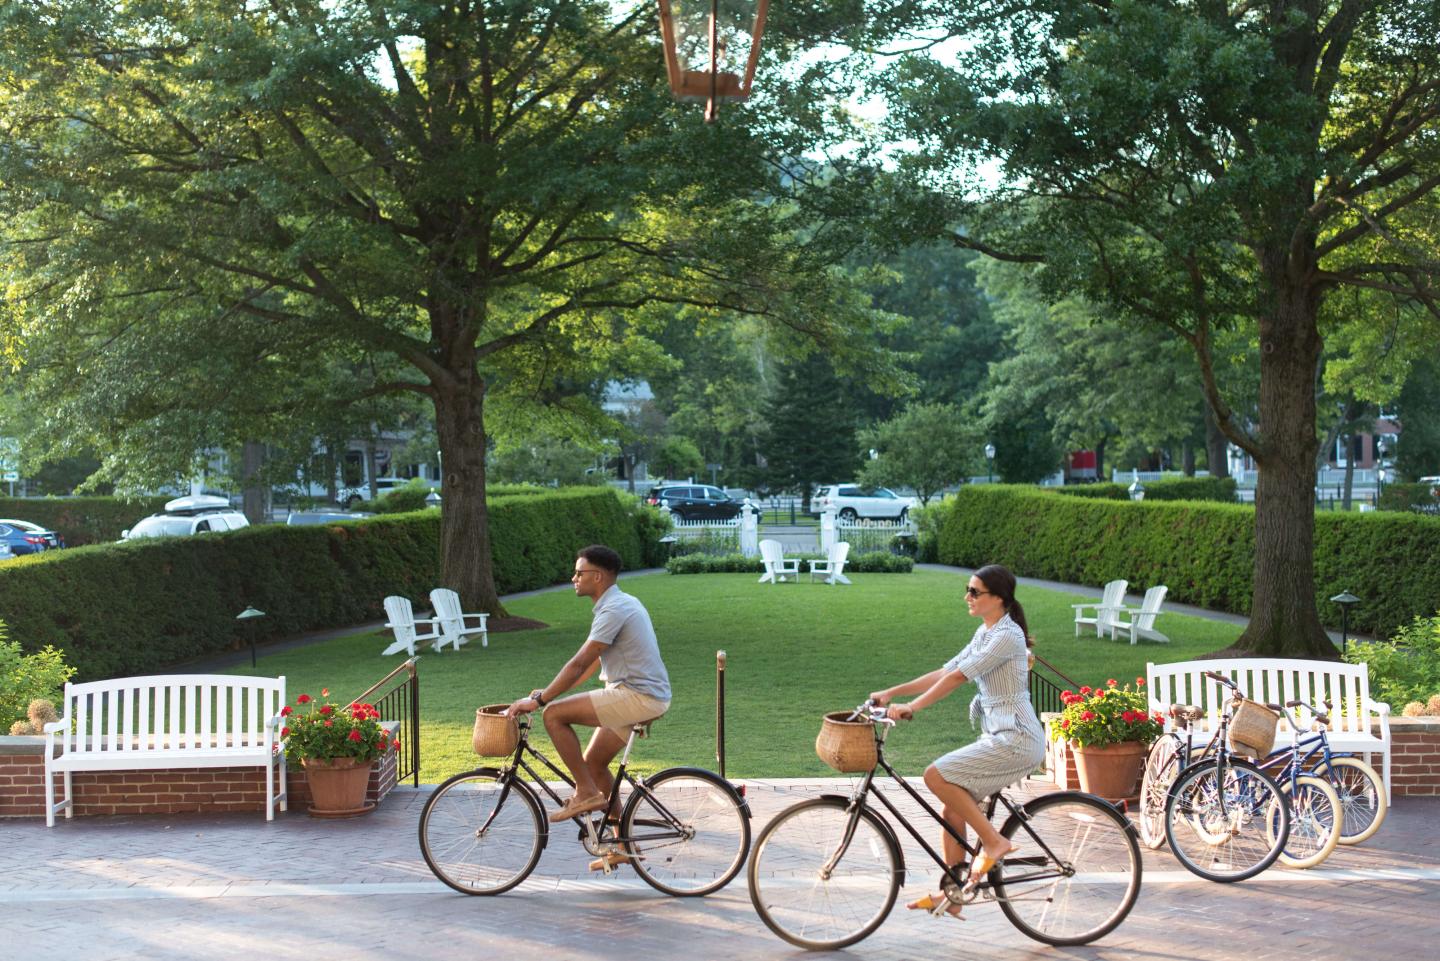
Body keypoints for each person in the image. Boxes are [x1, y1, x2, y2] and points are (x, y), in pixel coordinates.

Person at [869, 564, 1045, 918]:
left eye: (974, 592)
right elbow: (946, 670)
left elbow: (959, 679)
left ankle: (995, 842)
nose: (967, 597)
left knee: (936, 775)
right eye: (968, 589)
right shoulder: (986, 631)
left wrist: (912, 708)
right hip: (999, 735)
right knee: (951, 807)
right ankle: (954, 894)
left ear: (998, 598)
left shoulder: (1006, 636)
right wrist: (892, 693)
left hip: (1018, 738)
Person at [506, 544, 671, 824]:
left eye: (579, 573)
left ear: (598, 577)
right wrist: (546, 692)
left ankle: (586, 793)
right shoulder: (619, 603)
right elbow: (588, 667)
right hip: (638, 695)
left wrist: (540, 701)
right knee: (593, 764)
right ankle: (621, 843)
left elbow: (579, 664)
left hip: (638, 697)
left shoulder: (614, 609)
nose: (574, 579)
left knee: (553, 715)